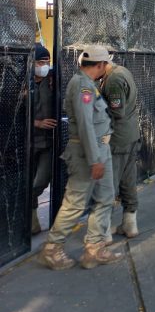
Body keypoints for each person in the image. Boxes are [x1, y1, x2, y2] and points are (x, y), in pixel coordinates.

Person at [39, 45, 121, 270]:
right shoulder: (82, 87)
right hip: (88, 153)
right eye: (106, 64)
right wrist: (95, 159)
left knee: (105, 198)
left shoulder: (88, 85)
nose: (107, 67)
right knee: (75, 203)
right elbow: (85, 125)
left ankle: (94, 249)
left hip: (100, 150)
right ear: (99, 65)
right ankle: (52, 249)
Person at [101, 58, 140, 239]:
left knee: (110, 182)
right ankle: (129, 224)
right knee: (128, 180)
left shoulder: (114, 79)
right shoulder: (122, 71)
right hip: (130, 135)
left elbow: (117, 111)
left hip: (118, 138)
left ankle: (104, 232)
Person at [31, 43, 57, 235]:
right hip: (29, 142)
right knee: (26, 182)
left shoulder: (53, 79)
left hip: (48, 142)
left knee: (41, 181)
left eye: (47, 61)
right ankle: (31, 222)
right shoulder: (21, 82)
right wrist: (36, 123)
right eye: (40, 61)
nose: (44, 65)